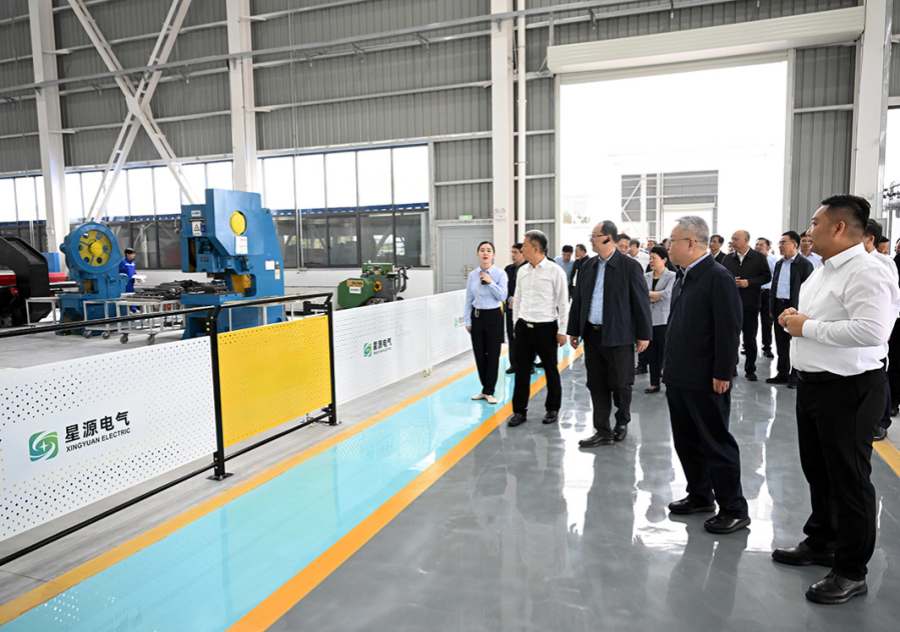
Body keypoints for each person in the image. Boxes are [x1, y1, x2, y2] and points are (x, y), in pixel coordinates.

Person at [773, 195, 899, 605]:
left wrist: (806, 327)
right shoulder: (822, 270)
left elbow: (872, 332)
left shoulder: (868, 270)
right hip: (814, 385)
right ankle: (822, 541)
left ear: (839, 227)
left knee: (849, 480)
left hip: (850, 388)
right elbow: (822, 319)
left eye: (815, 222)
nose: (808, 230)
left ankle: (851, 570)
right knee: (819, 471)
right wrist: (795, 318)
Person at [664, 216, 749, 535]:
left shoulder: (717, 277)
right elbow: (677, 324)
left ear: (690, 243)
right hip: (680, 373)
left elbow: (729, 328)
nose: (668, 246)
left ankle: (734, 508)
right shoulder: (684, 276)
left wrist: (723, 371)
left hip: (706, 376)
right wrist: (668, 363)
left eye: (672, 241)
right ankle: (700, 495)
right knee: (686, 440)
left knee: (715, 442)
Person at [567, 220, 651, 447]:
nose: (590, 240)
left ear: (608, 238)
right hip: (592, 335)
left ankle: (622, 422)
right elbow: (579, 299)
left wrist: (644, 334)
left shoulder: (629, 266)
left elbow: (641, 302)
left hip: (619, 335)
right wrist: (574, 330)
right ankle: (602, 430)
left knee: (621, 384)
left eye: (594, 235)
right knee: (596, 383)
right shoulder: (587, 266)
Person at [507, 230, 569, 427]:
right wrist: (516, 324)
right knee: (521, 370)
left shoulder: (555, 271)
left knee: (550, 369)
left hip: (546, 328)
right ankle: (519, 411)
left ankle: (552, 408)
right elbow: (518, 299)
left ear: (535, 248)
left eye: (524, 245)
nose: (521, 249)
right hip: (524, 327)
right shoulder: (523, 271)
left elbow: (563, 303)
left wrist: (562, 330)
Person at [862, 219, 899, 442]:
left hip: (878, 331)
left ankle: (882, 422)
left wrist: (886, 329)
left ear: (870, 239)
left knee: (879, 374)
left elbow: (893, 301)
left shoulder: (883, 262)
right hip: (862, 332)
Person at [721, 230, 771, 381]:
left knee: (750, 339)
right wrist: (731, 281)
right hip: (731, 305)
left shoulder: (759, 257)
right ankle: (732, 367)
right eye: (732, 239)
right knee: (731, 338)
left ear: (746, 240)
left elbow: (766, 277)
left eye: (735, 239)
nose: (732, 242)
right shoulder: (728, 259)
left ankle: (750, 369)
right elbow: (721, 278)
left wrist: (749, 282)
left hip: (751, 305)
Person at [766, 231, 813, 388]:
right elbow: (774, 287)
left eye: (783, 242)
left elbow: (809, 290)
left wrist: (802, 310)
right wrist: (772, 307)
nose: (780, 246)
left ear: (795, 245)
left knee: (796, 343)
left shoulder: (804, 264)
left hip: (795, 308)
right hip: (779, 307)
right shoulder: (779, 263)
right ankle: (782, 373)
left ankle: (795, 376)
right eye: (779, 243)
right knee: (781, 343)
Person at [464, 242, 509, 404]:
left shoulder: (500, 274)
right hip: (477, 316)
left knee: (493, 354)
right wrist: (468, 320)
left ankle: (490, 390)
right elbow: (468, 299)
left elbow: (503, 296)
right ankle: (485, 389)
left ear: (493, 255)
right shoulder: (473, 275)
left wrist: (490, 282)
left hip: (493, 316)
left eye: (489, 250)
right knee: (479, 354)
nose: (485, 253)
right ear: (478, 254)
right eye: (482, 250)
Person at [644, 246, 675, 394]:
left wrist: (649, 295)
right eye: (650, 258)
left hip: (664, 320)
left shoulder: (672, 276)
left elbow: (668, 294)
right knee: (652, 353)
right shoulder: (646, 276)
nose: (651, 261)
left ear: (664, 260)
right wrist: (656, 295)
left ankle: (669, 381)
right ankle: (654, 383)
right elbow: (640, 295)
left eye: (654, 258)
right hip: (649, 320)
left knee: (665, 352)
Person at [504, 243, 528, 375]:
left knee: (526, 338)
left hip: (525, 309)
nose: (513, 255)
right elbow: (504, 288)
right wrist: (510, 298)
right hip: (511, 308)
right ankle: (514, 364)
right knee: (511, 336)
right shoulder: (508, 269)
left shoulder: (530, 268)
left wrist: (519, 299)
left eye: (515, 252)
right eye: (512, 252)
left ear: (523, 253)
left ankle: (529, 364)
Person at [756, 237, 778, 360]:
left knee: (767, 321)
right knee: (751, 321)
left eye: (761, 245)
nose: (758, 247)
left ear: (768, 247)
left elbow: (774, 273)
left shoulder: (774, 259)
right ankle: (747, 346)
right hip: (755, 292)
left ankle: (767, 347)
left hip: (767, 293)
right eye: (757, 245)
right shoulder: (753, 259)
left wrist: (766, 257)